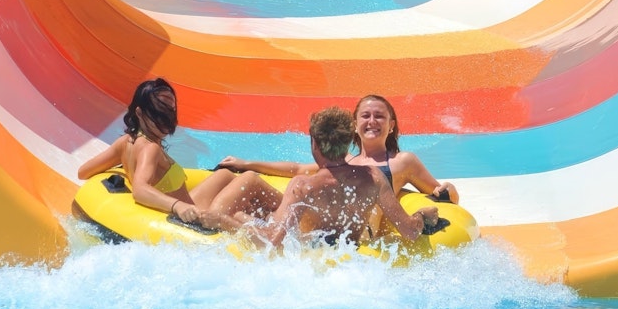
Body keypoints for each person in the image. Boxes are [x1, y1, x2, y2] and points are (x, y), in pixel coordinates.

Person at [77, 78, 281, 230]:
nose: (166, 118)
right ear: (139, 113)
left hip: (194, 204)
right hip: (200, 217)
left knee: (225, 175)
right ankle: (293, 214)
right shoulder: (150, 148)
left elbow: (83, 172)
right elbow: (140, 189)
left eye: (170, 109)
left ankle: (268, 218)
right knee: (249, 179)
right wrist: (178, 206)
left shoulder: (125, 143)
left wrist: (122, 172)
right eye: (159, 111)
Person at [247, 107, 439, 249]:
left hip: (313, 257)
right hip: (351, 256)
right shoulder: (373, 177)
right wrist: (421, 216)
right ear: (348, 143)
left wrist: (240, 224)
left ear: (315, 144)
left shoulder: (303, 185)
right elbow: (410, 231)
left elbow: (274, 241)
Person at [218, 94, 459, 204]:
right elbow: (297, 169)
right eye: (365, 116)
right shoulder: (345, 160)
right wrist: (245, 163)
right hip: (327, 225)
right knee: (242, 180)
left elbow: (442, 192)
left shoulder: (402, 161)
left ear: (391, 125)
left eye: (379, 116)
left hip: (358, 235)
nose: (372, 121)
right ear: (354, 125)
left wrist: (448, 188)